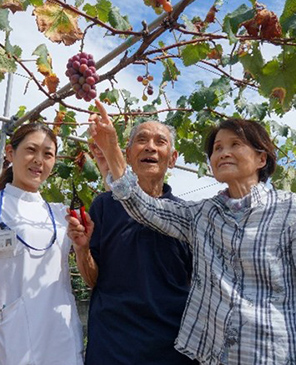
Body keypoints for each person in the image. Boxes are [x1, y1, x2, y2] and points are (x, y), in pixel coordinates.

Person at [88, 101, 296, 365]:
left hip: (277, 356)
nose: (224, 152)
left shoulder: (290, 209)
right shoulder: (203, 215)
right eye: (217, 148)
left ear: (262, 158)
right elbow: (142, 207)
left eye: (235, 144)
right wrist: (112, 154)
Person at [67, 105, 198, 365]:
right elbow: (93, 279)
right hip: (113, 347)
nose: (150, 147)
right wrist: (82, 249)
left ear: (172, 158)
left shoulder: (186, 215)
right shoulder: (104, 205)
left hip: (174, 350)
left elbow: (198, 284)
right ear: (127, 155)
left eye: (160, 142)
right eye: (141, 140)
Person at [0, 123, 83, 365]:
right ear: (10, 154)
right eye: (31, 150)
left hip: (61, 341)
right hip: (5, 345)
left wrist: (82, 247)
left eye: (48, 154)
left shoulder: (60, 215)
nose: (39, 160)